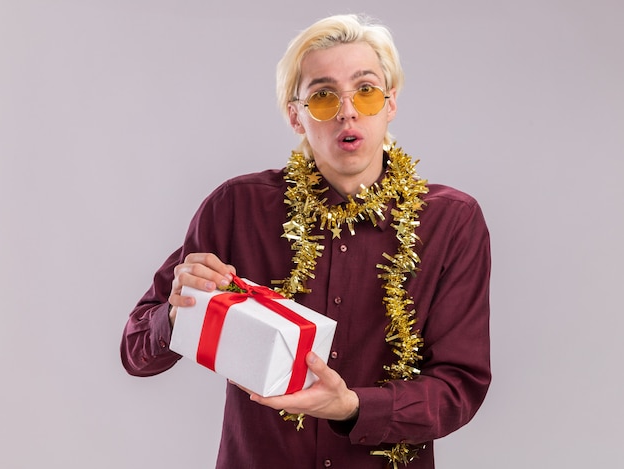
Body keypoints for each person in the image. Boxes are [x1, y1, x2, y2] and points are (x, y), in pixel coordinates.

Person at [121, 13, 491, 469]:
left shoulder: (452, 221)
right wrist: (177, 314)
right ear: (296, 116)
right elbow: (136, 352)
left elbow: (459, 387)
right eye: (322, 96)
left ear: (391, 103)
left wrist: (353, 407)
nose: (347, 110)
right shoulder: (237, 207)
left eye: (367, 90)